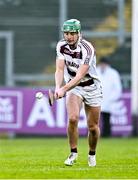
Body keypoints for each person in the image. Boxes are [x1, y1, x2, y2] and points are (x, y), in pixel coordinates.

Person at [54, 19, 103, 167]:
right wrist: (57, 87)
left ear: (79, 33)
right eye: (66, 33)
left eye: (72, 33)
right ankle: (73, 153)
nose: (69, 36)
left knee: (93, 127)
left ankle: (92, 154)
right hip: (74, 88)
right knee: (73, 119)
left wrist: (64, 89)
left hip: (92, 87)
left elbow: (80, 76)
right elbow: (60, 69)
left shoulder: (87, 49)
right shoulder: (61, 46)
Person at [97, 57, 122, 137]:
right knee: (93, 119)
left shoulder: (113, 73)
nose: (103, 65)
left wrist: (111, 98)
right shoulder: (95, 71)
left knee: (106, 119)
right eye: (101, 64)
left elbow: (117, 88)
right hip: (96, 99)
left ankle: (107, 135)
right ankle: (92, 134)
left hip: (108, 100)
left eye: (104, 64)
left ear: (107, 64)